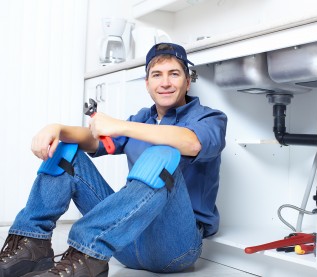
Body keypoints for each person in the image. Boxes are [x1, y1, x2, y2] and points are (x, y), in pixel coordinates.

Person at [0, 42, 227, 277]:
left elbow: (192, 143)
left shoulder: (210, 118)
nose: (166, 82)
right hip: (125, 238)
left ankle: (87, 249)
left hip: (174, 247)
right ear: (147, 84)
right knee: (66, 150)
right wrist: (56, 128)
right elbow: (93, 140)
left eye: (174, 74)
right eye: (157, 75)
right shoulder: (142, 119)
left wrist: (122, 126)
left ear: (187, 81)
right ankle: (30, 245)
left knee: (162, 153)